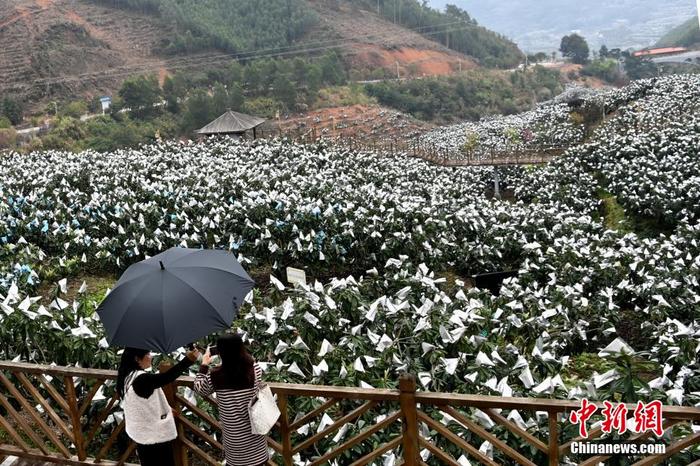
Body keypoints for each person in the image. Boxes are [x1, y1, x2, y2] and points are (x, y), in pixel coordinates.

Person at [116, 347, 200, 466]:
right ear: (137, 359)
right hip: (154, 435)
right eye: (148, 354)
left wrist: (166, 408)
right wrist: (189, 359)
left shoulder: (127, 376)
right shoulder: (142, 379)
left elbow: (143, 401)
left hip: (141, 433)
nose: (151, 356)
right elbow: (167, 377)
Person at [194, 334, 269, 466]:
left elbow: (199, 389)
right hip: (255, 434)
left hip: (234, 439)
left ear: (221, 352)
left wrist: (204, 364)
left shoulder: (215, 376)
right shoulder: (254, 369)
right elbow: (245, 366)